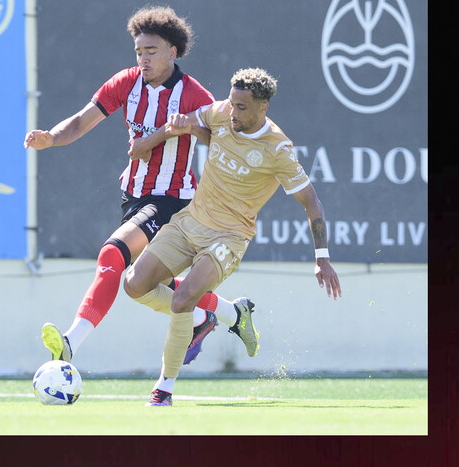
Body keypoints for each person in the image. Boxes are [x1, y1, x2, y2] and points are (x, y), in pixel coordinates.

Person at [23, 5, 260, 366]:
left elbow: (224, 140)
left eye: (151, 51)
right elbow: (81, 122)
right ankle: (228, 314)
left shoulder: (194, 94)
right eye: (138, 51)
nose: (143, 59)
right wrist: (50, 138)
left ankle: (71, 343)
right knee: (143, 282)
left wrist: (187, 129)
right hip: (134, 196)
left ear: (172, 52)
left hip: (171, 200)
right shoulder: (126, 82)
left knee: (111, 255)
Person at [124, 67, 343, 406]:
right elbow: (192, 124)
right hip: (189, 222)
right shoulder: (224, 112)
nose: (233, 110)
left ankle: (164, 388)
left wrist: (322, 258)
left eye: (242, 107)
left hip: (228, 237)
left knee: (182, 300)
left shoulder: (277, 150)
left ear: (263, 107)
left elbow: (311, 202)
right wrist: (168, 133)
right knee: (134, 284)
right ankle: (221, 315)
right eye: (232, 102)